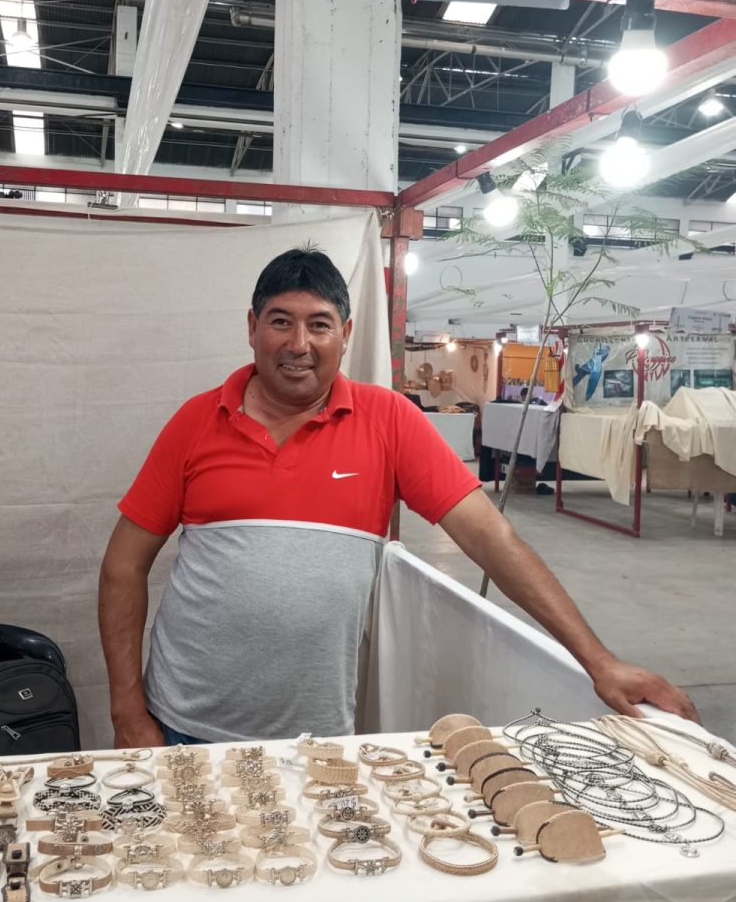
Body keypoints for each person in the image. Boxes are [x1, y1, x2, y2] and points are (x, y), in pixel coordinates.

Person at [98, 248, 698, 747]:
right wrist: (127, 707)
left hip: (315, 741)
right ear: (252, 326)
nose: (298, 343)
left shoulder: (387, 421)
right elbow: (124, 566)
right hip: (181, 727)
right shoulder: (197, 421)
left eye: (319, 324)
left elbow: (491, 538)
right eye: (280, 321)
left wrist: (599, 661)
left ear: (345, 334)